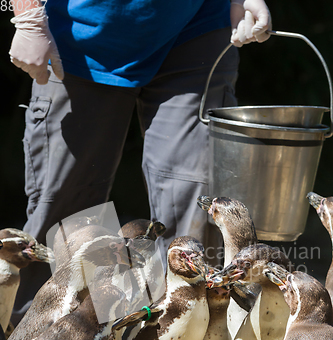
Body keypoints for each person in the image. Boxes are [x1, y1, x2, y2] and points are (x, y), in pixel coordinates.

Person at [8, 0, 271, 323]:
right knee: (66, 209)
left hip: (193, 27)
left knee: (193, 204)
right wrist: (29, 17)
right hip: (82, 37)